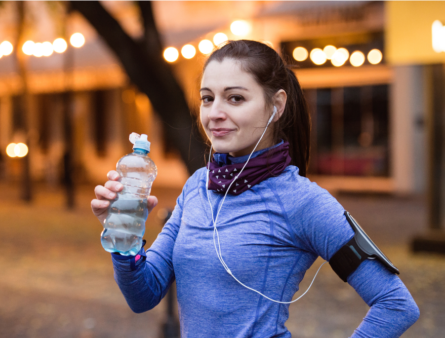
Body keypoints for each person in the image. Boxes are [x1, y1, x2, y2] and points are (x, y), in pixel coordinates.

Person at [91, 40, 419, 337]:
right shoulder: (196, 188)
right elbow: (143, 295)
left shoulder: (303, 202)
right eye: (207, 98)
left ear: (276, 105)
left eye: (235, 98)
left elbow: (395, 305)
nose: (215, 113)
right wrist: (125, 234)